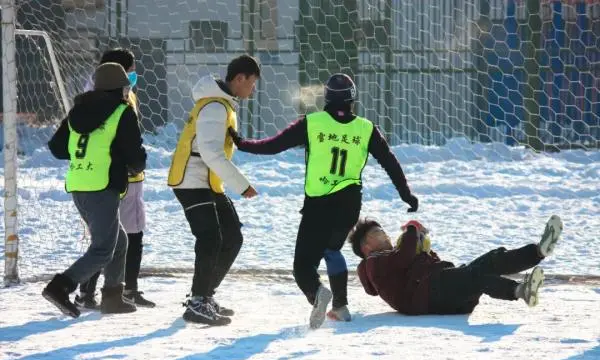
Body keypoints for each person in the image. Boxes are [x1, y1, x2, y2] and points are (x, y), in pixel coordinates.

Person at [229, 73, 419, 329]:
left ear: (327, 98)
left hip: (319, 205)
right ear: (353, 100)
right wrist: (406, 194)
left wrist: (241, 143)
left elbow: (273, 145)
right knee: (332, 249)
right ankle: (340, 306)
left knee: (302, 267)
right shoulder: (365, 128)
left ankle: (318, 293)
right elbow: (390, 163)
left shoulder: (313, 123)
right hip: (350, 203)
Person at [43, 62, 147, 317]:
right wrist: (132, 165)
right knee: (103, 248)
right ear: (120, 89)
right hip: (102, 186)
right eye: (126, 87)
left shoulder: (78, 111)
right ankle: (60, 287)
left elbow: (57, 148)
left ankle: (112, 297)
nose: (127, 92)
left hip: (79, 183)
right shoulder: (122, 112)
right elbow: (135, 155)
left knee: (118, 241)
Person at [167, 55, 260, 325]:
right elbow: (210, 152)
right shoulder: (215, 107)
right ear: (239, 78)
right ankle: (197, 302)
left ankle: (204, 296)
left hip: (208, 182)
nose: (252, 90)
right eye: (251, 83)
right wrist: (242, 185)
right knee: (210, 238)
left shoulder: (222, 104)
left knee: (232, 237)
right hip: (191, 180)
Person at [349, 215, 563, 315]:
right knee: (477, 276)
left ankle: (538, 251)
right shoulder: (372, 264)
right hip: (429, 293)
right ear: (366, 246)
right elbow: (403, 259)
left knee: (489, 261)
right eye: (377, 233)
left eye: (382, 230)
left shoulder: (390, 258)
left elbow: (413, 263)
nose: (384, 234)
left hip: (440, 294)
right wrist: (412, 231)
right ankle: (520, 290)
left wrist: (423, 248)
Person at [74, 48, 155, 309]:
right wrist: (132, 161)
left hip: (111, 176)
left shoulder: (96, 96)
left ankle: (116, 290)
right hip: (115, 177)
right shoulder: (110, 99)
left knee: (116, 237)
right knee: (113, 239)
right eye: (130, 70)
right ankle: (88, 290)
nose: (133, 76)